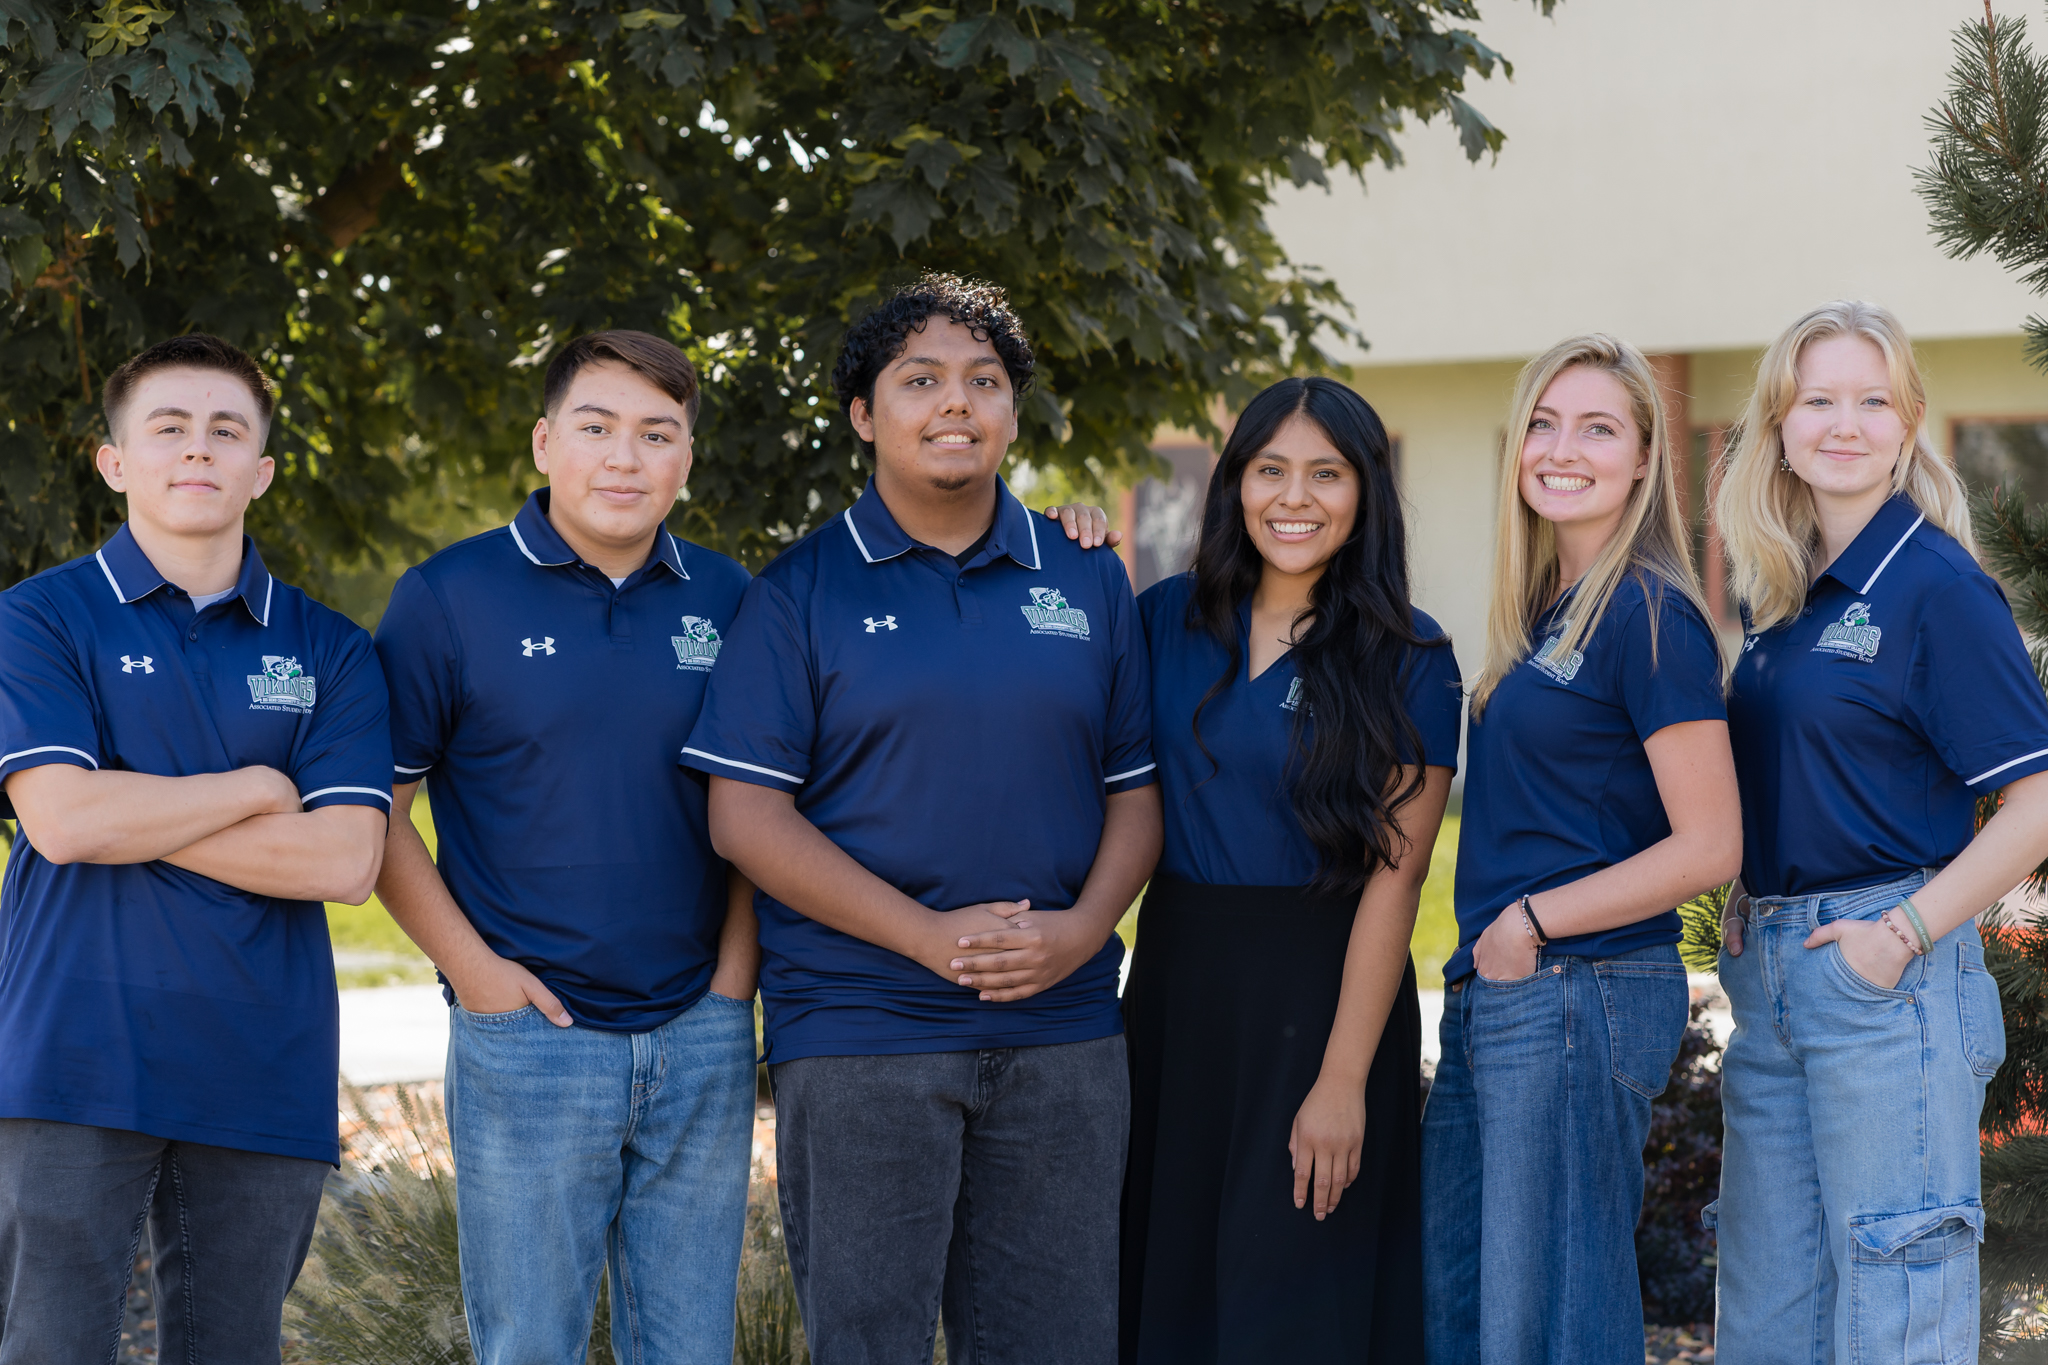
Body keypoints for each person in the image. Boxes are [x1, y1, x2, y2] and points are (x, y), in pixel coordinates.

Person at [682, 272, 1161, 1365]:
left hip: (1064, 1031)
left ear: (1011, 411)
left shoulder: (1085, 580)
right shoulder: (798, 591)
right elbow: (745, 819)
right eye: (920, 380)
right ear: (863, 414)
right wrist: (926, 938)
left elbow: (1134, 791)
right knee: (868, 1346)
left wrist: (1082, 931)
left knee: (1058, 1345)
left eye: (983, 380)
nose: (955, 402)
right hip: (862, 1033)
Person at [371, 331, 762, 1364]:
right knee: (527, 1347)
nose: (624, 459)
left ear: (686, 457)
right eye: (596, 429)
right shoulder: (448, 597)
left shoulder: (730, 601)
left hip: (701, 1032)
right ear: (546, 443)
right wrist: (479, 979)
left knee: (690, 1350)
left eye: (656, 434)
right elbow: (379, 813)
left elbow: (763, 806)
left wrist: (732, 983)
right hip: (528, 1039)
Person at [0, 334, 393, 1361]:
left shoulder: (332, 650)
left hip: (263, 1063)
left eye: (226, 431)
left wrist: (133, 807)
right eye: (166, 428)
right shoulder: (39, 618)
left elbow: (345, 863)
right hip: (73, 1055)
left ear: (261, 468)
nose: (197, 451)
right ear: (115, 461)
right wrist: (256, 791)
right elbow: (64, 823)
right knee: (45, 1346)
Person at [1709, 301, 2048, 1364]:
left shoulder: (1936, 587)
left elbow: (2035, 803)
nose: (1841, 424)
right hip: (1772, 983)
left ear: (1906, 426)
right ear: (1777, 424)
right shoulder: (1782, 596)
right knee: (1768, 1310)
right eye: (1816, 400)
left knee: (1892, 1310)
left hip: (1882, 980)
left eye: (1870, 400)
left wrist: (1895, 935)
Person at [1119, 376, 1460, 1363]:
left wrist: (1342, 1080)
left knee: (1293, 1295)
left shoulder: (1409, 656)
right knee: (1169, 1283)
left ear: (1364, 495)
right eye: (1269, 470)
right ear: (1232, 483)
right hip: (1177, 996)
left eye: (1325, 473)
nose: (1293, 497)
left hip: (1325, 997)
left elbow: (1395, 883)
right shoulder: (1158, 622)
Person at [1420, 335, 1742, 1364]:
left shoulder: (1647, 614)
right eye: (1543, 424)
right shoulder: (1546, 613)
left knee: (1548, 1322)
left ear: (1643, 459)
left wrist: (1529, 923)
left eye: (1596, 427)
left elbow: (1709, 842)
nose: (1562, 448)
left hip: (1573, 988)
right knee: (1471, 1315)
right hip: (1506, 993)